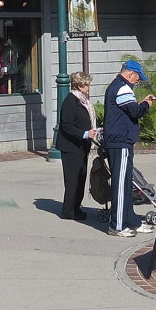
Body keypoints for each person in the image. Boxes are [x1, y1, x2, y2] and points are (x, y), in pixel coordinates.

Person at [102, 60, 156, 237]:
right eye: (138, 77)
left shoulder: (119, 87)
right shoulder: (123, 88)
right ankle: (117, 225)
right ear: (129, 73)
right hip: (120, 142)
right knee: (120, 185)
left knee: (126, 184)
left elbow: (128, 109)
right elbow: (135, 112)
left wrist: (140, 103)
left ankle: (131, 221)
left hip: (120, 141)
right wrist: (146, 104)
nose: (138, 80)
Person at [56, 72, 99, 222]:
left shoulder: (83, 100)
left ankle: (76, 207)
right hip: (70, 147)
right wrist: (85, 134)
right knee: (73, 179)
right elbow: (67, 125)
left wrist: (94, 131)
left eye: (88, 84)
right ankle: (68, 211)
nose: (88, 87)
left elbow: (85, 120)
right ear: (78, 86)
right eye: (85, 85)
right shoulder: (70, 100)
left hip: (81, 146)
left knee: (81, 178)